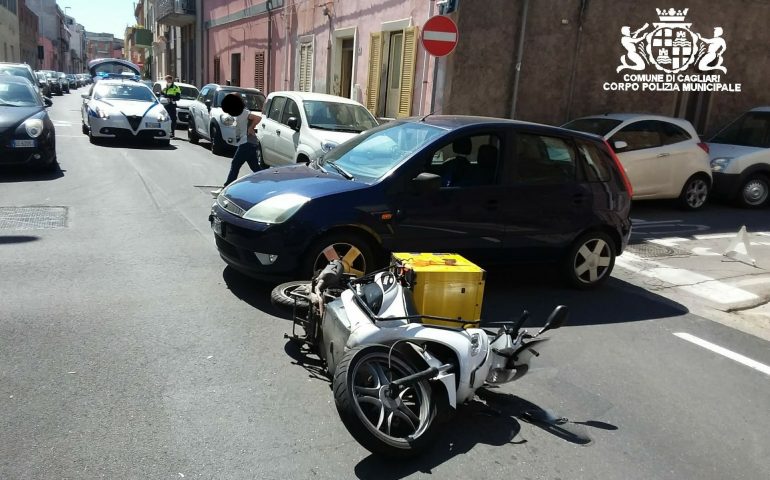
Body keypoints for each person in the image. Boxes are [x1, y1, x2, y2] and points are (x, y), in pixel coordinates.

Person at [211, 93, 263, 197]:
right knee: (255, 168)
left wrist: (251, 128)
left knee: (235, 164)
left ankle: (225, 190)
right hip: (249, 143)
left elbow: (258, 118)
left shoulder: (243, 112)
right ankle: (270, 183)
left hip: (247, 143)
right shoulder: (240, 112)